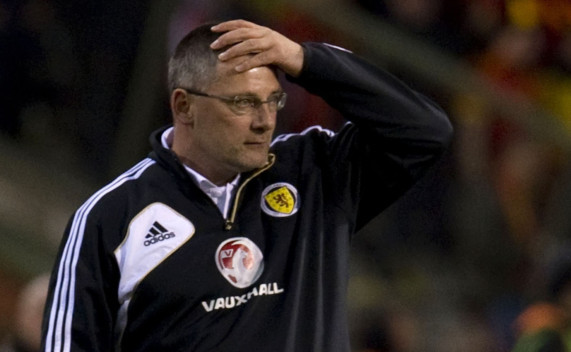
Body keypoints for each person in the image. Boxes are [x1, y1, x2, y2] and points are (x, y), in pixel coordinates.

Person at [40, 19, 453, 351]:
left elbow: (425, 130)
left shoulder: (317, 171)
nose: (264, 120)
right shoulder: (112, 216)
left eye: (273, 100)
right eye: (242, 103)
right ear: (184, 106)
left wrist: (305, 59)